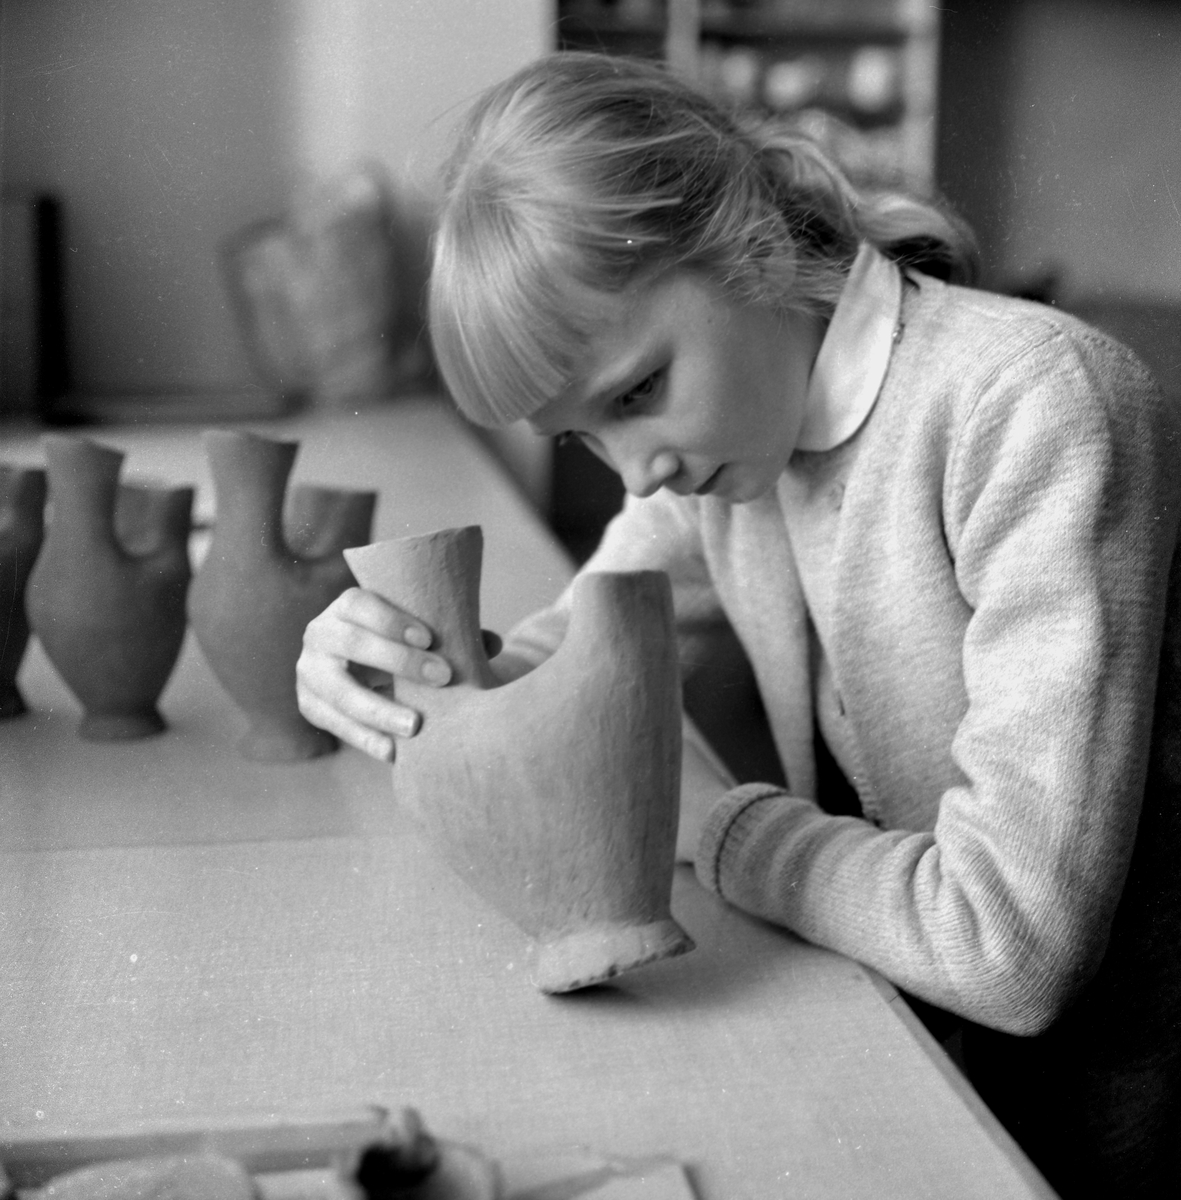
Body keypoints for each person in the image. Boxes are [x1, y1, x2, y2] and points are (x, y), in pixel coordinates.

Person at [296, 51, 1181, 1198]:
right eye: (584, 436)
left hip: (1097, 1131)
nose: (637, 471)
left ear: (747, 244)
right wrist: (406, 663)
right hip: (925, 1052)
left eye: (635, 392)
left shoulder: (1036, 404)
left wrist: (717, 834)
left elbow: (1006, 947)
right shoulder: (732, 438)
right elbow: (568, 661)